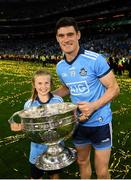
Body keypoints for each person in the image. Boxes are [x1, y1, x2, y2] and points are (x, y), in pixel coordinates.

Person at [53, 17, 120, 179]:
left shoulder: (94, 59)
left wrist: (94, 106)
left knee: (102, 172)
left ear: (78, 35)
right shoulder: (60, 67)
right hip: (78, 123)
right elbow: (68, 87)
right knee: (82, 163)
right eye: (61, 36)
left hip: (100, 122)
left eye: (70, 34)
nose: (66, 39)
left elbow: (114, 88)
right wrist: (47, 96)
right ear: (57, 38)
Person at [9, 69, 63, 179]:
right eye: (39, 83)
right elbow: (29, 127)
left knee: (54, 176)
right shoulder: (29, 105)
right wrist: (19, 127)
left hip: (55, 148)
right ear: (34, 84)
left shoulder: (58, 101)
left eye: (46, 83)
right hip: (37, 149)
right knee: (36, 177)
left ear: (51, 84)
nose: (43, 86)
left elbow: (62, 123)